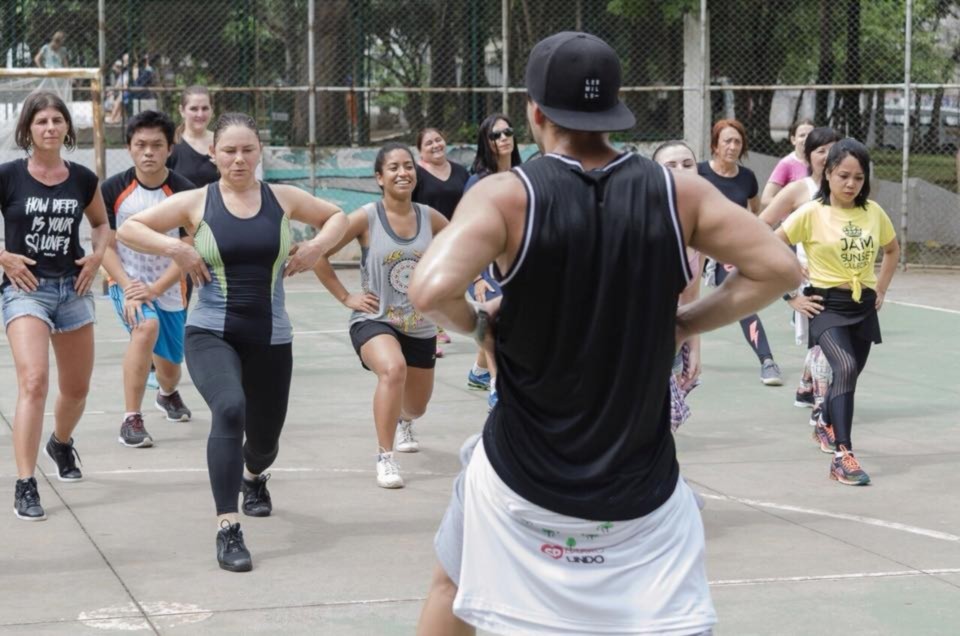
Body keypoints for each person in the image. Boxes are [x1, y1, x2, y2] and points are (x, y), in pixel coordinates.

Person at [409, 31, 801, 634]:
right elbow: (779, 269)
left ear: (536, 114)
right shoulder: (677, 192)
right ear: (615, 109)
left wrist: (481, 327)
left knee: (451, 585)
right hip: (639, 491)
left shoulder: (509, 196)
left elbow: (430, 290)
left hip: (522, 480)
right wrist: (683, 324)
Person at [117, 112, 347, 571]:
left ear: (259, 152)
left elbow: (338, 216)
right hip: (210, 332)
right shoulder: (196, 201)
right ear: (213, 154)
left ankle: (253, 477)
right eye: (229, 151)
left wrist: (317, 246)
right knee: (229, 408)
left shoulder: (282, 198)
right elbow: (129, 228)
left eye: (247, 150)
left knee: (264, 443)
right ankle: (228, 527)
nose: (238, 159)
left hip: (270, 336)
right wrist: (177, 248)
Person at [0, 91, 110, 521]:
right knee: (33, 382)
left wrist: (97, 257)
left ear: (67, 127)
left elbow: (101, 224)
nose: (50, 127)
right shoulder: (9, 175)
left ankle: (60, 443)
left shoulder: (82, 178)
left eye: (56, 120)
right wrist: (3, 256)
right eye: (41, 121)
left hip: (73, 288)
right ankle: (26, 483)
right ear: (27, 129)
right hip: (26, 289)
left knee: (77, 389)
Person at [314, 142, 448, 489]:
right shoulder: (365, 218)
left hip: (420, 325)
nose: (403, 173)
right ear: (379, 177)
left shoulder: (431, 218)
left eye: (408, 166)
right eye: (394, 167)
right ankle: (385, 458)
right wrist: (346, 296)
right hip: (375, 318)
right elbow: (318, 252)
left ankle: (404, 419)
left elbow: (465, 247)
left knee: (416, 406)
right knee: (393, 368)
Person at [776, 138, 899, 486]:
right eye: (843, 175)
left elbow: (892, 250)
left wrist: (881, 289)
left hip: (863, 305)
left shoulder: (873, 212)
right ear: (828, 173)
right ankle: (843, 457)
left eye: (858, 178)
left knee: (849, 374)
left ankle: (825, 422)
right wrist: (790, 294)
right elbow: (771, 244)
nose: (850, 184)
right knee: (843, 367)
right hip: (825, 305)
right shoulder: (811, 213)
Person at [100, 110, 196, 449]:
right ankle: (131, 419)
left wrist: (155, 288)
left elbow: (187, 250)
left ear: (170, 148)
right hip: (125, 281)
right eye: (140, 145)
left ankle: (167, 394)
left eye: (157, 145)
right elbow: (105, 245)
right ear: (129, 148)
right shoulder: (112, 189)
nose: (148, 152)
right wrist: (129, 287)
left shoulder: (185, 192)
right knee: (145, 327)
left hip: (169, 287)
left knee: (170, 369)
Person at [761, 127, 842, 425]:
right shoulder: (799, 190)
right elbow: (761, 228)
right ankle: (822, 406)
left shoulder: (848, 190)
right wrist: (789, 275)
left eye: (834, 149)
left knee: (826, 342)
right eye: (821, 150)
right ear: (808, 157)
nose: (828, 156)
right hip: (810, 283)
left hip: (844, 281)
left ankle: (807, 388)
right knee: (827, 345)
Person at [699, 118, 783, 386]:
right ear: (715, 145)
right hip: (693, 247)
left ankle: (767, 361)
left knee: (742, 301)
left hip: (726, 252)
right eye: (727, 141)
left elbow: (755, 210)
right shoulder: (699, 173)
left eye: (737, 142)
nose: (733, 146)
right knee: (674, 302)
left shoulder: (747, 178)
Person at [463, 113, 522, 410]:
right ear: (486, 142)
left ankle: (479, 371)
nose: (504, 138)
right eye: (496, 135)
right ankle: (498, 386)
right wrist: (476, 278)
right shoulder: (477, 182)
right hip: (485, 266)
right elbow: (467, 231)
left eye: (508, 132)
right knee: (498, 326)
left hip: (517, 263)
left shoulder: (524, 176)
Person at [651, 140, 702, 431]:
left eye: (687, 164)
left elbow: (691, 298)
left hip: (672, 338)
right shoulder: (641, 219)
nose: (681, 169)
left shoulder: (699, 228)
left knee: (662, 426)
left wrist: (694, 349)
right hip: (632, 342)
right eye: (670, 165)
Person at [411, 127, 468, 356]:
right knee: (427, 287)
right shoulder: (415, 174)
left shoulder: (461, 172)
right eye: (428, 143)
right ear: (420, 151)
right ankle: (426, 335)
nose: (435, 145)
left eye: (438, 140)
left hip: (454, 239)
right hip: (425, 240)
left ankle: (437, 324)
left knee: (447, 287)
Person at [167, 86, 219, 187]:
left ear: (212, 110)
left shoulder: (222, 142)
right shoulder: (172, 144)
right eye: (194, 109)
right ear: (182, 110)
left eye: (205, 108)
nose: (200, 114)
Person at [760, 118, 814, 208]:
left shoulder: (821, 162)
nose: (806, 139)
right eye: (802, 135)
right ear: (793, 140)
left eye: (810, 136)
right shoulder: (787, 163)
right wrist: (793, 205)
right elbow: (766, 199)